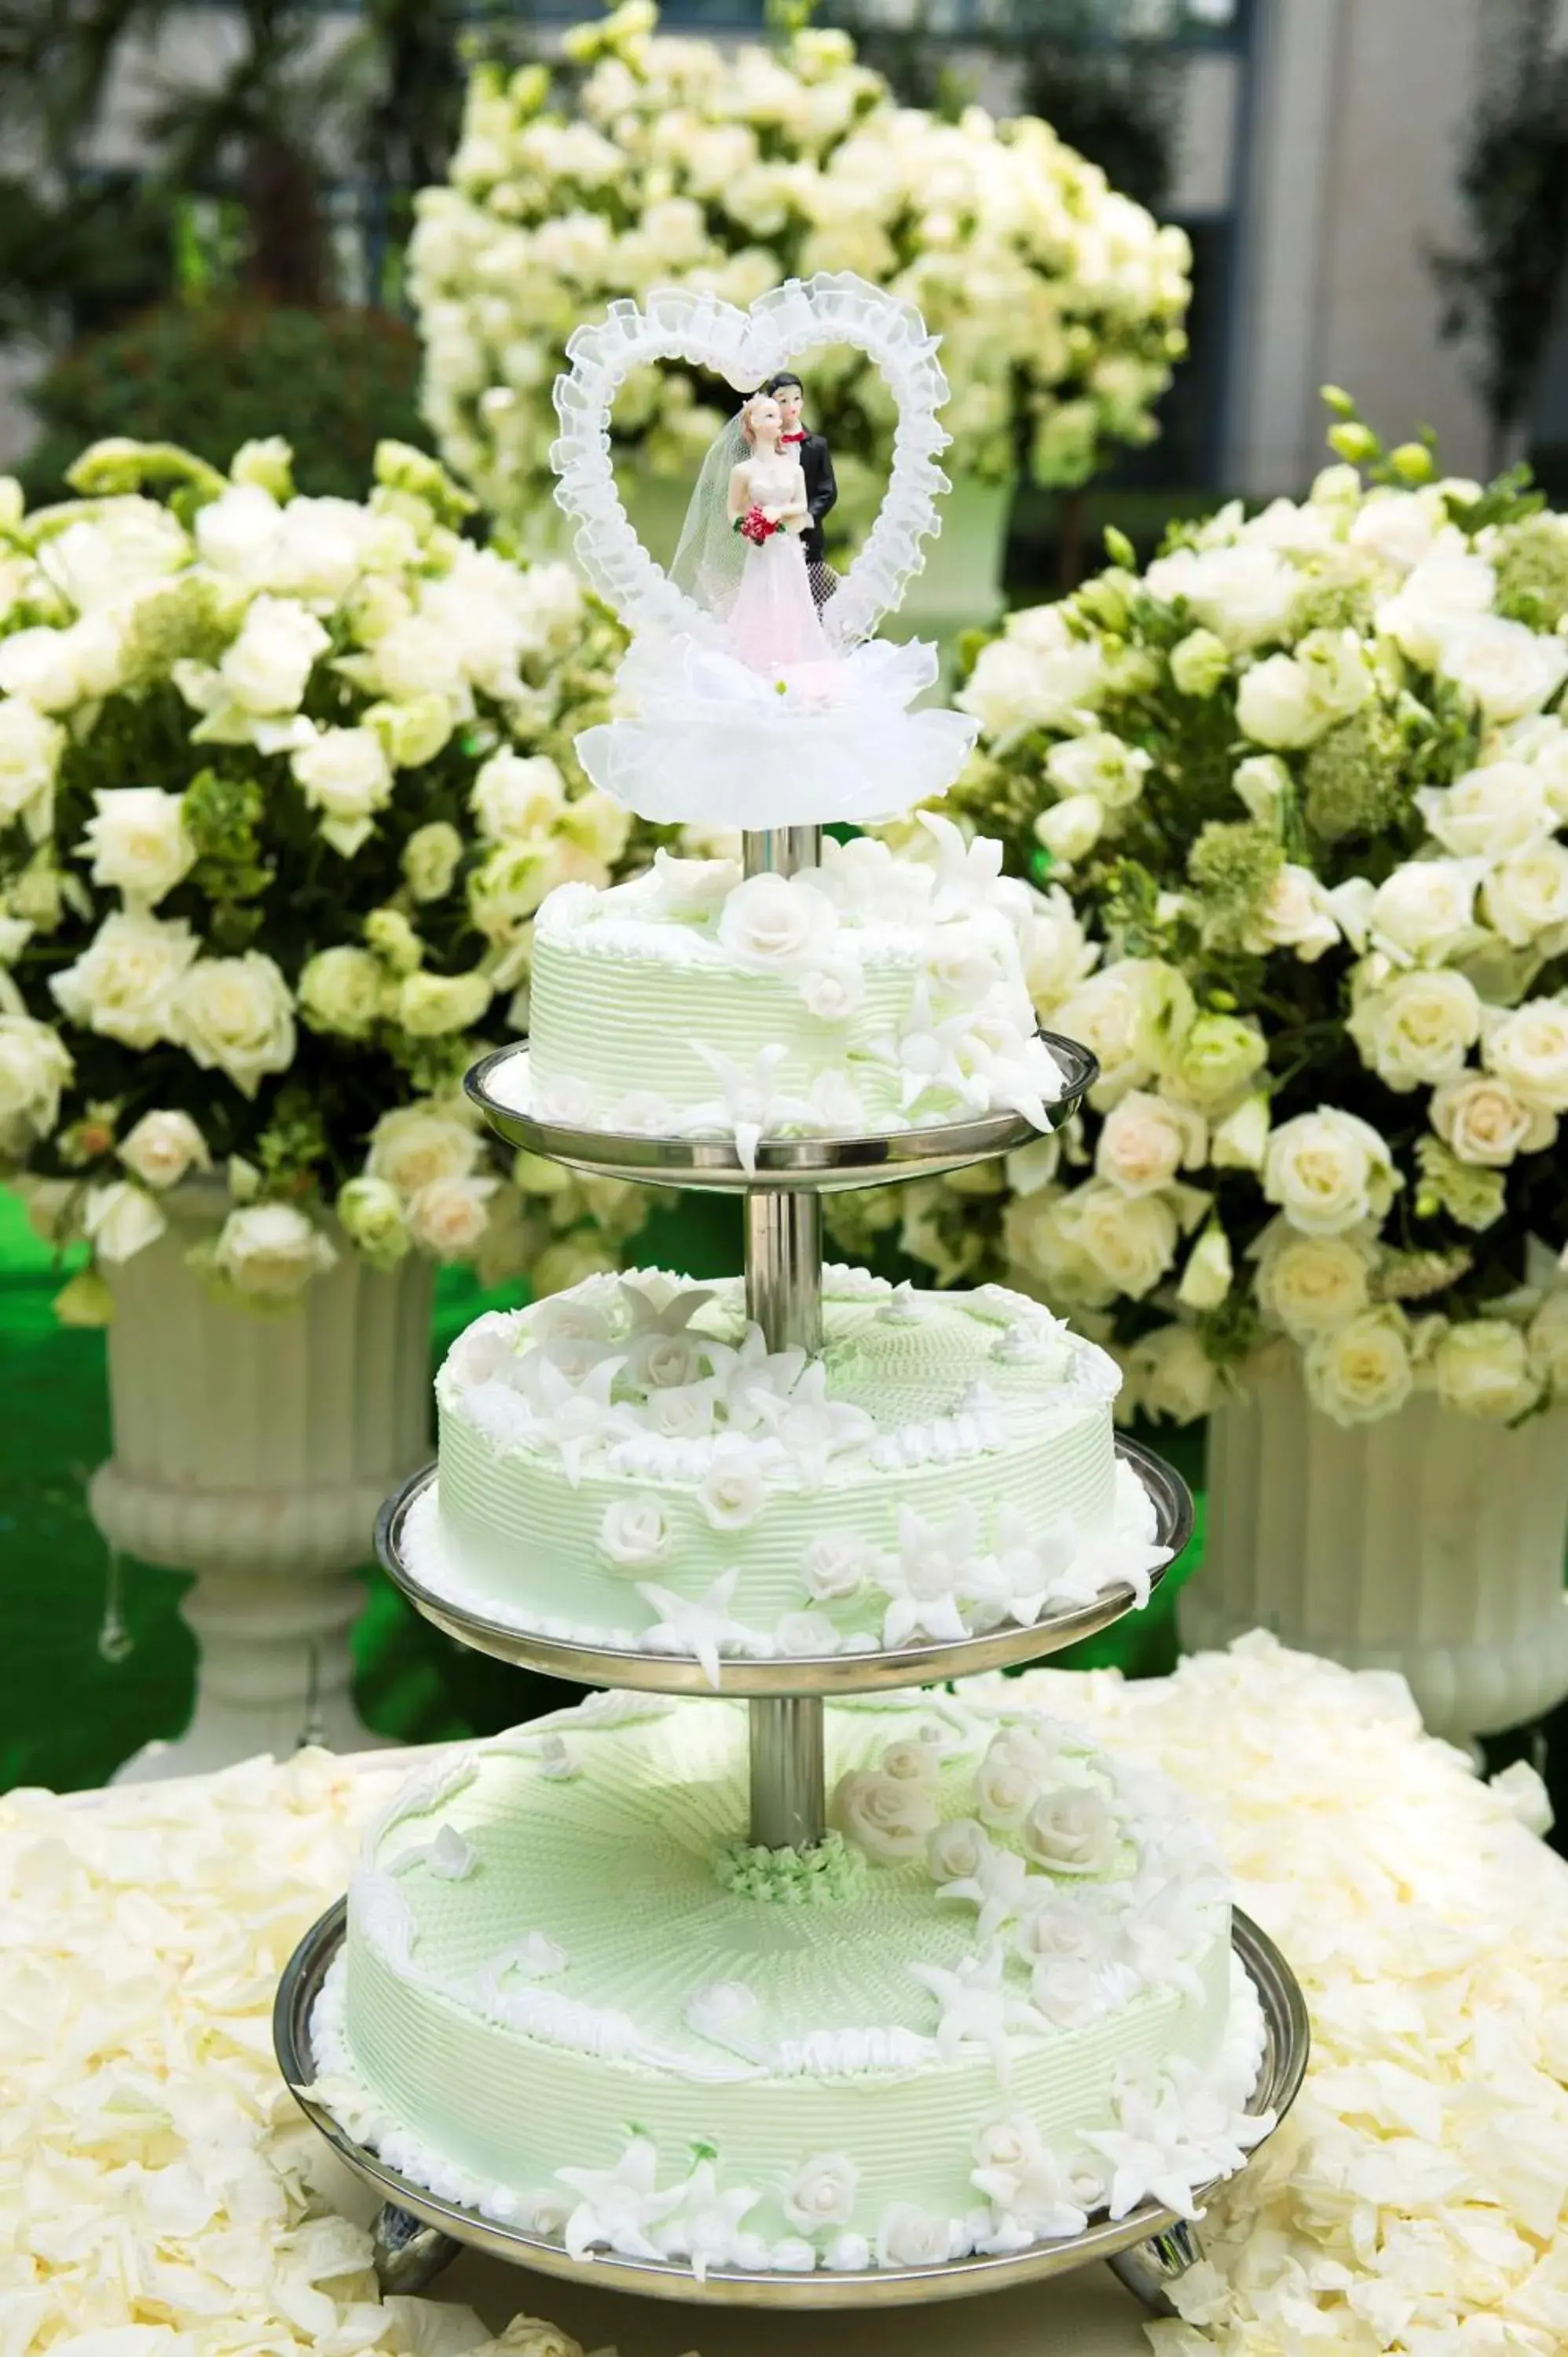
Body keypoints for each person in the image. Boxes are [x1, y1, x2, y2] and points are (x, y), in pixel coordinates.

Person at [721, 391, 831, 671]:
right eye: (770, 415)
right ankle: (759, 661)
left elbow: (802, 505)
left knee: (792, 600)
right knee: (761, 598)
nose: (779, 419)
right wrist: (746, 525)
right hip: (761, 549)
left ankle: (792, 659)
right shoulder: (743, 472)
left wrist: (778, 514)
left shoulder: (793, 469)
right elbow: (733, 509)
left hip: (787, 545)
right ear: (754, 423)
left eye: (777, 414)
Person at [758, 370, 837, 608]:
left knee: (812, 596)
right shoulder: (764, 445)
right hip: (772, 536)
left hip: (808, 538)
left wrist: (808, 517)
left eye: (797, 398)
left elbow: (827, 490)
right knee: (773, 596)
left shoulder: (817, 446)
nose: (792, 406)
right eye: (783, 400)